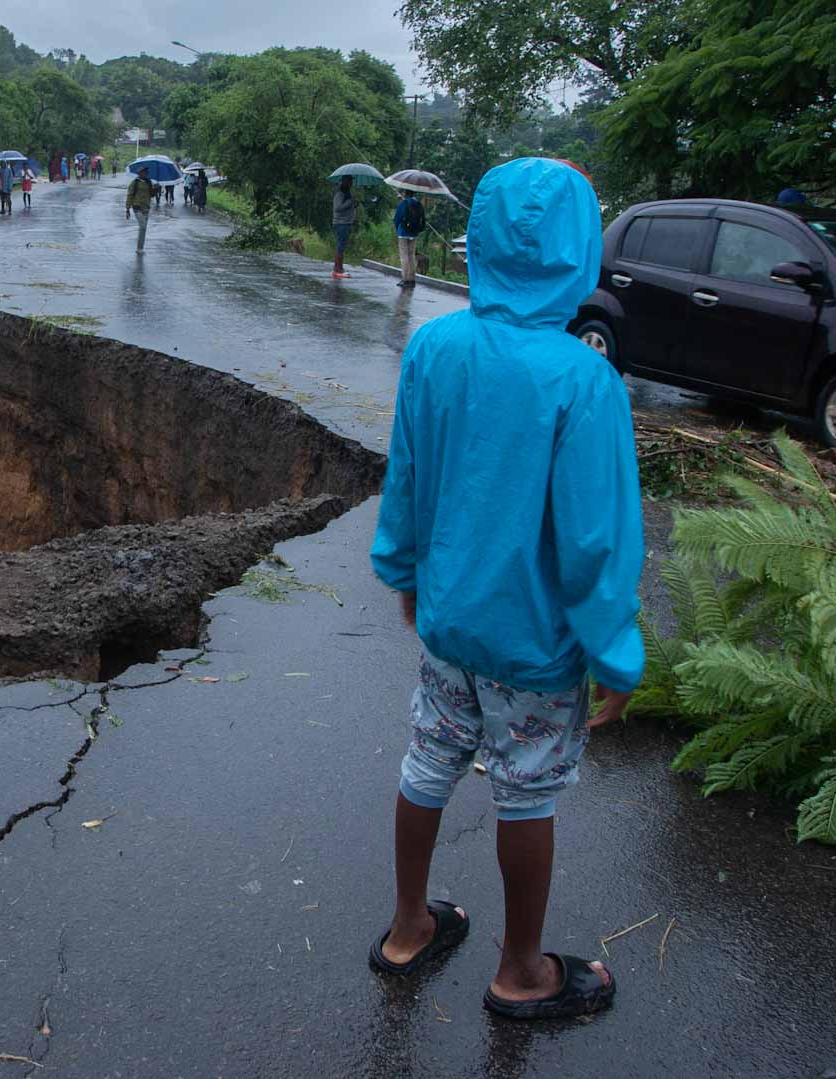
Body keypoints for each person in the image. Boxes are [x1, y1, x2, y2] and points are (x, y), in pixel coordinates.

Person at [369, 157, 639, 1022]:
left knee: (428, 760)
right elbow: (595, 541)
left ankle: (410, 926)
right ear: (577, 249)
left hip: (450, 623)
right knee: (525, 788)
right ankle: (521, 970)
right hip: (537, 643)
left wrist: (406, 575)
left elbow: (408, 477)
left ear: (478, 236)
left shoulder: (434, 347)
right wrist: (615, 653)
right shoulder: (582, 379)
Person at [393, 189, 427, 290]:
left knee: (404, 256)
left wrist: (397, 228)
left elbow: (396, 219)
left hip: (403, 233)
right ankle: (412, 279)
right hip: (414, 233)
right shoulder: (418, 204)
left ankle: (405, 279)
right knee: (411, 255)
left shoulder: (403, 203)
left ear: (405, 193)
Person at [331, 175, 359, 279]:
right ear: (345, 181)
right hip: (341, 223)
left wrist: (353, 204)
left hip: (346, 222)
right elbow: (337, 208)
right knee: (340, 245)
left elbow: (346, 207)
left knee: (342, 245)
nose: (351, 183)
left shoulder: (347, 194)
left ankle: (340, 268)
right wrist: (350, 202)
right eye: (350, 181)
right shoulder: (340, 193)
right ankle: (337, 269)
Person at [126, 169, 155, 254]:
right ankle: (139, 248)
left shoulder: (149, 182)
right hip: (137, 207)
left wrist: (156, 189)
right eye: (143, 172)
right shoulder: (134, 183)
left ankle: (140, 248)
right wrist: (127, 209)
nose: (145, 174)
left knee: (144, 229)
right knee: (142, 226)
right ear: (139, 173)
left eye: (146, 172)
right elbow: (129, 195)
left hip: (146, 207)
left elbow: (152, 194)